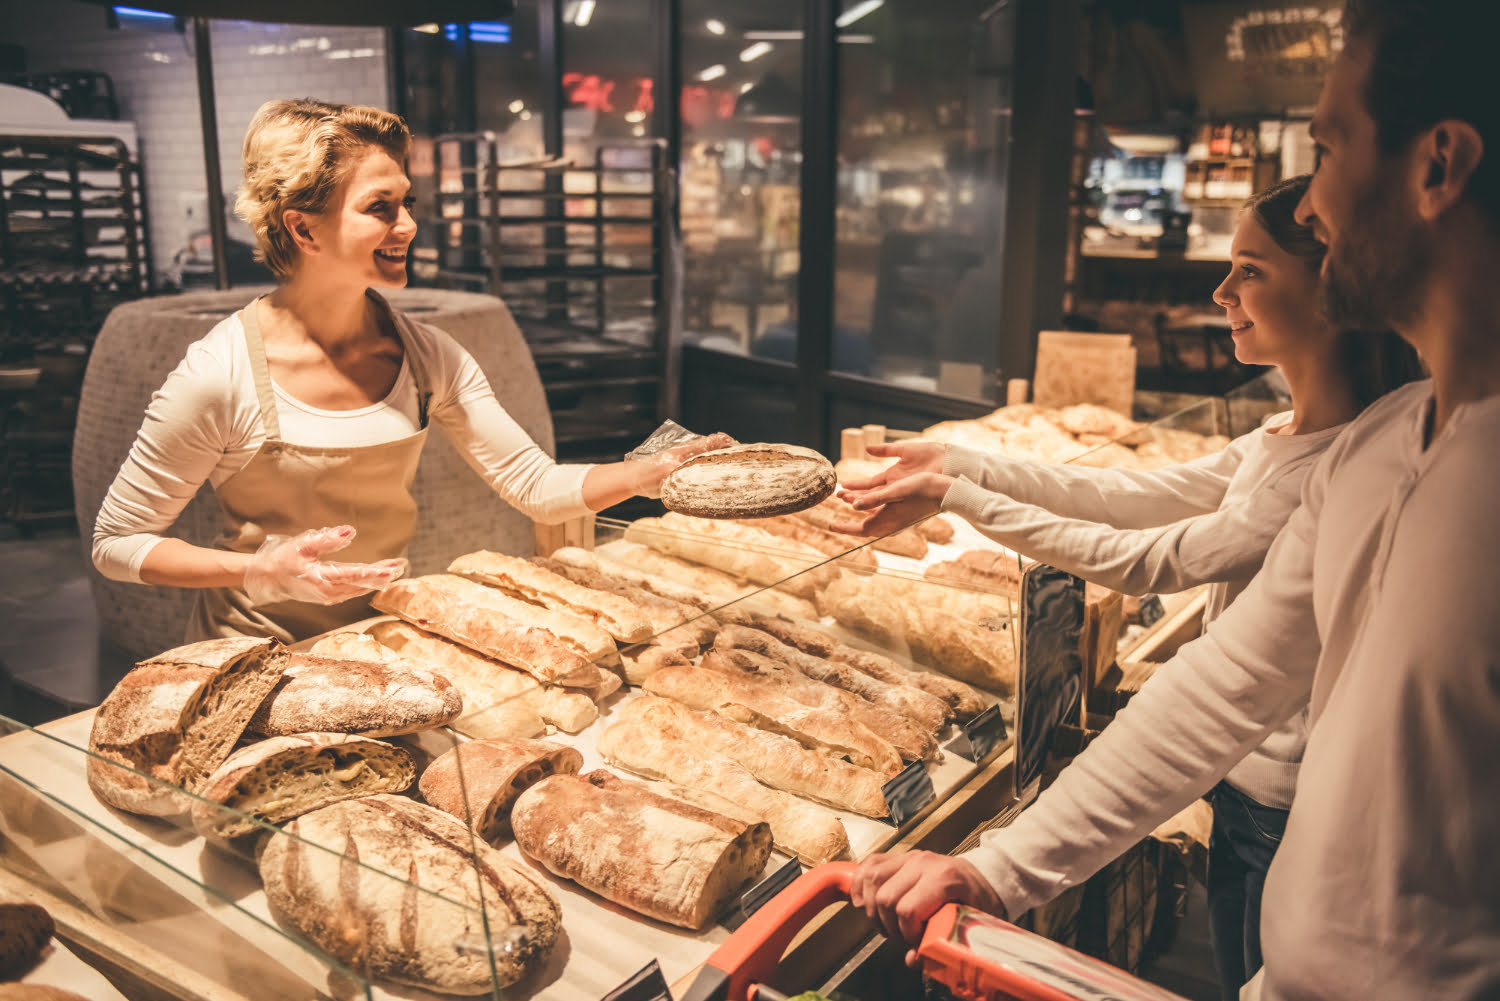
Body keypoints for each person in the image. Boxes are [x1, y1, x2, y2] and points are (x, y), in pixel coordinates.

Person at [843, 2, 1500, 997]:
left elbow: (1159, 554)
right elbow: (1221, 683)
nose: (1312, 205)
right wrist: (997, 865)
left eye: (1327, 147)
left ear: (1436, 166)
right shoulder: (1372, 449)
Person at [92, 98, 727, 644]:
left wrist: (648, 474)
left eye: (407, 202)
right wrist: (257, 568)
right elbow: (116, 543)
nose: (410, 225)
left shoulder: (429, 356)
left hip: (381, 640)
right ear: (303, 228)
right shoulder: (218, 372)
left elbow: (533, 483)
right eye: (381, 207)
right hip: (253, 652)